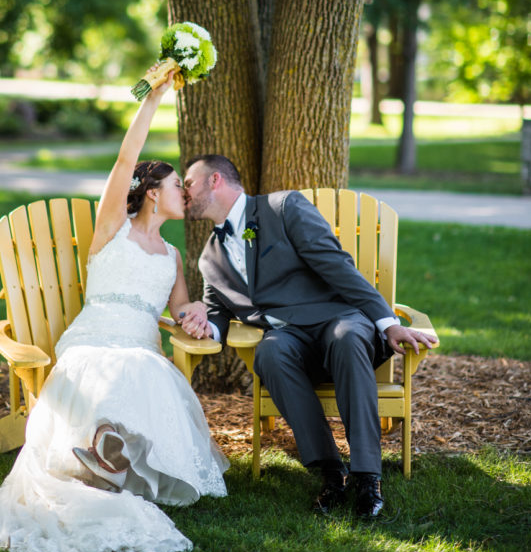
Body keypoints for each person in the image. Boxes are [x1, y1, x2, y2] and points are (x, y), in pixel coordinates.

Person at [0, 75, 228, 552]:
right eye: (177, 186)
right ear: (151, 192)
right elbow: (124, 161)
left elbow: (179, 311)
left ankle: (106, 456)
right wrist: (151, 101)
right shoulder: (111, 229)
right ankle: (102, 453)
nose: (184, 195)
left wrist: (196, 316)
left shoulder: (173, 255)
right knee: (109, 367)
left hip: (139, 345)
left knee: (144, 367)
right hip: (93, 338)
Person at [182, 154, 436, 519]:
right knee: (269, 353)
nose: (184, 192)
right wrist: (206, 325)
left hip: (338, 320)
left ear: (215, 180)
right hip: (288, 340)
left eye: (188, 183)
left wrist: (387, 322)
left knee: (348, 337)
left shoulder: (281, 207)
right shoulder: (209, 258)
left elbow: (336, 265)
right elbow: (218, 312)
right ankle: (333, 473)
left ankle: (368, 476)